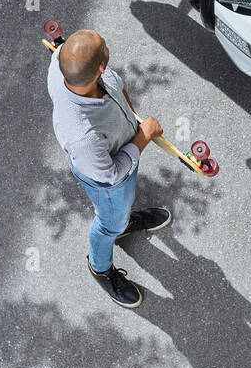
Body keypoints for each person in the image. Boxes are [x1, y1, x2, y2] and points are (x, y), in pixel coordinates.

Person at [46, 28, 171, 308]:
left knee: (120, 212)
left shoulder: (61, 62)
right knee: (107, 222)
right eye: (104, 46)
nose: (105, 43)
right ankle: (101, 268)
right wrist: (144, 137)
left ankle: (124, 222)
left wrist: (131, 115)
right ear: (101, 66)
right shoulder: (82, 138)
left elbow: (114, 85)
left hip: (116, 150)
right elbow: (111, 176)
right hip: (108, 177)